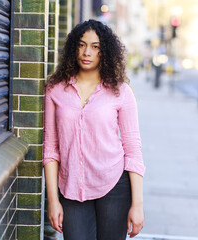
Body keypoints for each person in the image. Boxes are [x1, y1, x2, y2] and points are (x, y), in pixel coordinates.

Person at [43, 19, 145, 240]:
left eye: (95, 46)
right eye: (81, 45)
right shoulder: (55, 90)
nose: (86, 52)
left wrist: (137, 205)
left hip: (114, 186)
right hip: (71, 189)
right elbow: (51, 149)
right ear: (73, 48)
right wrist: (52, 201)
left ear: (105, 51)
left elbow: (133, 149)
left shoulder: (120, 91)